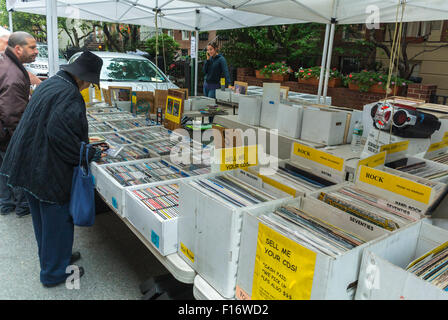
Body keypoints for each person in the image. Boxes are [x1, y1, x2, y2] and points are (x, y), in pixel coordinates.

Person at [0, 51, 107, 287]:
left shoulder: (53, 83)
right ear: (83, 79)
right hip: (47, 170)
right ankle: (55, 273)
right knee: (58, 221)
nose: (87, 87)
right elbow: (61, 135)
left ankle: (54, 259)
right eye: (88, 83)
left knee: (43, 222)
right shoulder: (69, 94)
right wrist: (88, 152)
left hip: (29, 164)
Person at [0, 32, 39, 217]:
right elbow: (12, 114)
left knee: (4, 169)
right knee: (14, 166)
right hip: (8, 133)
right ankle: (22, 206)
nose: (36, 51)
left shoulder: (6, 62)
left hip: (4, 132)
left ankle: (7, 203)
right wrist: (22, 139)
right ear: (18, 49)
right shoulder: (14, 75)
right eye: (32, 47)